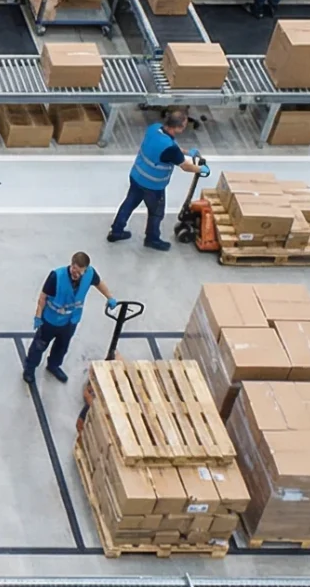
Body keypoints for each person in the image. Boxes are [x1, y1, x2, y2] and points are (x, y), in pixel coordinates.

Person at [108, 108, 201, 251]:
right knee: (156, 213)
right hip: (153, 186)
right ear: (179, 127)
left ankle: (116, 231)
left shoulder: (154, 129)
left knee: (129, 203)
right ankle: (152, 239)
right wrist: (201, 169)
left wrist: (187, 152)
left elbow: (168, 147)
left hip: (137, 176)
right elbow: (185, 166)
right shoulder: (170, 149)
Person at [23, 251, 118, 385]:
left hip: (70, 321)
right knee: (39, 346)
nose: (76, 273)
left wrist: (110, 297)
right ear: (71, 264)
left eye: (80, 271)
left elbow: (99, 283)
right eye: (74, 269)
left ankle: (53, 365)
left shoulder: (90, 274)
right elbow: (43, 297)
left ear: (85, 270)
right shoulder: (56, 276)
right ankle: (30, 369)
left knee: (62, 346)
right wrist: (38, 316)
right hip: (50, 320)